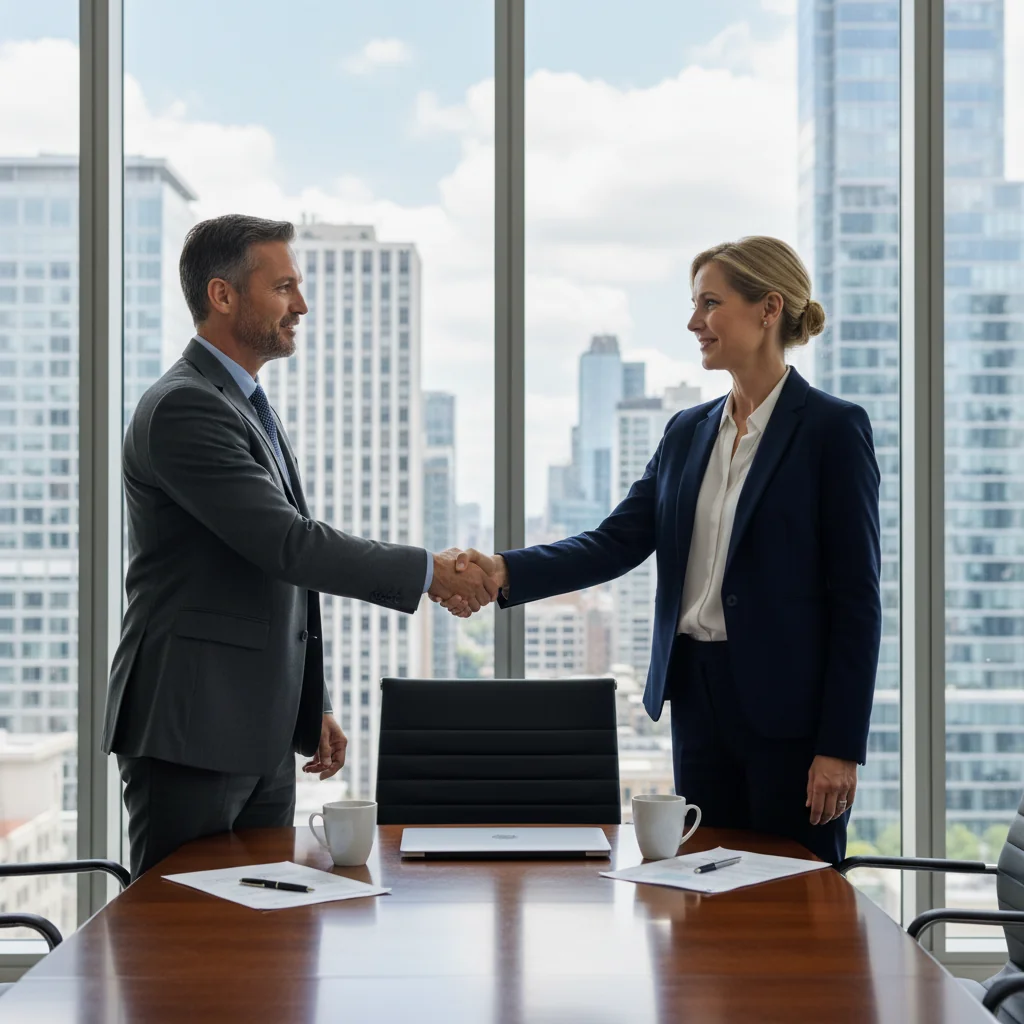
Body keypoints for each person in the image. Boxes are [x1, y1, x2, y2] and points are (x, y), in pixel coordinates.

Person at [443, 236, 881, 864]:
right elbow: (615, 541)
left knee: (794, 901)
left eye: (710, 302)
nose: (693, 321)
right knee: (699, 892)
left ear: (768, 309)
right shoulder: (686, 431)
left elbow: (857, 600)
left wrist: (841, 745)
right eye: (693, 303)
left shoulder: (833, 431)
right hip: (697, 698)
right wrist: (506, 570)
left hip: (792, 717)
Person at [102, 214, 498, 879]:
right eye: (284, 287)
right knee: (182, 943)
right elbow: (288, 545)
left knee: (262, 945)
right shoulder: (184, 407)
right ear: (223, 296)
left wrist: (308, 705)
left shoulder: (242, 402)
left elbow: (267, 577)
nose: (302, 306)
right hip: (190, 729)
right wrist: (431, 571)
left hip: (254, 731)